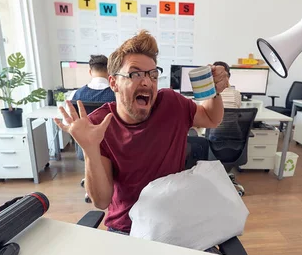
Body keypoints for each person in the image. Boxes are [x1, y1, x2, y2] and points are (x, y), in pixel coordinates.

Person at [55, 30, 228, 234]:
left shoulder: (172, 104)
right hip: (127, 228)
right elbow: (101, 201)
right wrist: (90, 149)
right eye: (135, 74)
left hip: (174, 220)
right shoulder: (99, 125)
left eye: (152, 74)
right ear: (113, 83)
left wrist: (214, 92)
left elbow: (211, 118)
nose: (147, 82)